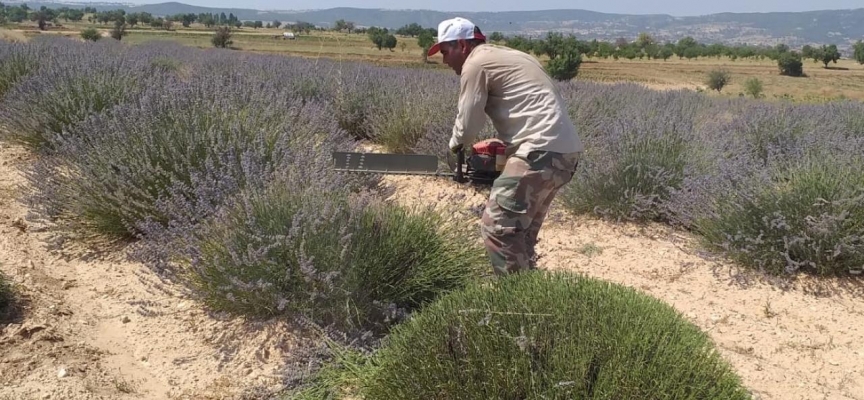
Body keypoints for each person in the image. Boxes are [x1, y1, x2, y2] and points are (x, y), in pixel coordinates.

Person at [427, 17, 584, 276]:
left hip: (537, 152)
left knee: (497, 227)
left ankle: (515, 302)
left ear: (463, 46)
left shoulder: (475, 63)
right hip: (564, 153)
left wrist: (454, 147)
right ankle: (533, 296)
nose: (444, 60)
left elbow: (468, 123)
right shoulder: (510, 55)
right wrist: (507, 144)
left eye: (445, 52)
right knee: (520, 234)